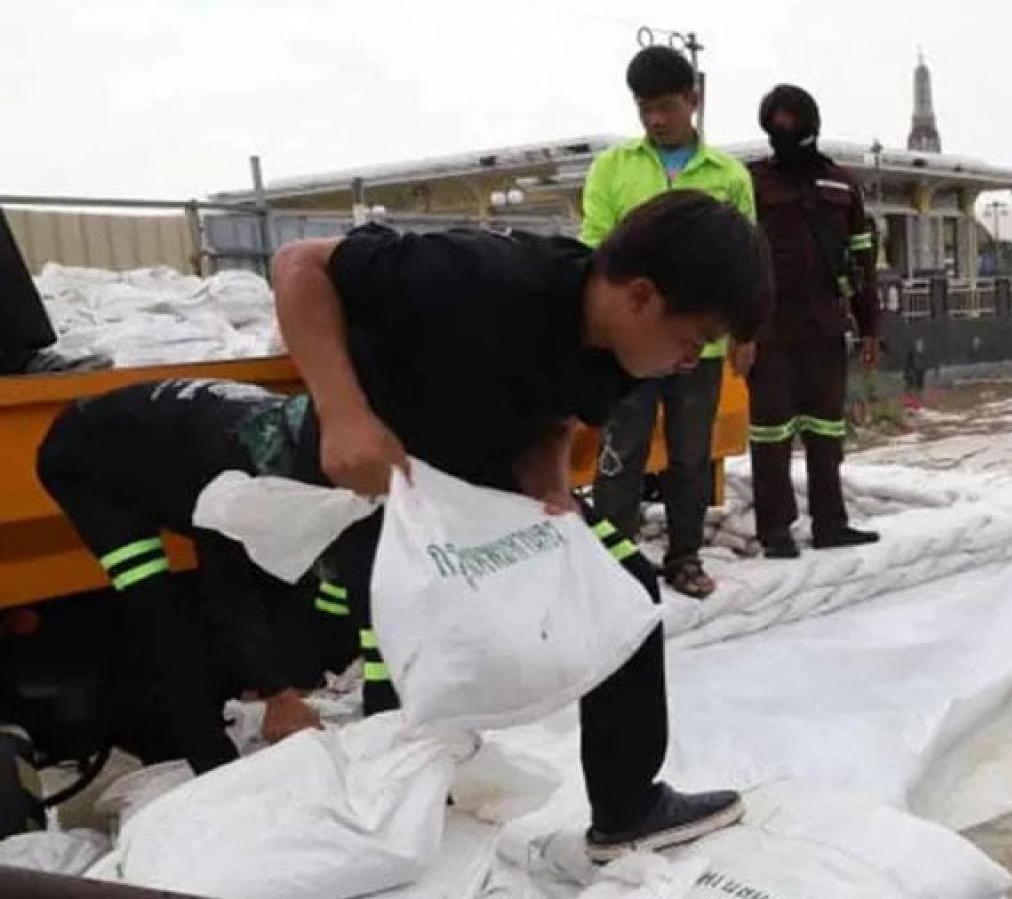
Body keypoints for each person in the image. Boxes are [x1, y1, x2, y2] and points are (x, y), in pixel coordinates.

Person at [271, 191, 771, 862]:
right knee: (407, 638)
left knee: (623, 591)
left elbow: (558, 408)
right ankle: (384, 826)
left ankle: (628, 806)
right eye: (692, 341)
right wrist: (342, 413)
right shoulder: (481, 276)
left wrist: (550, 480)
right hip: (378, 469)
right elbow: (300, 265)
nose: (691, 361)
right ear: (642, 297)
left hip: (481, 467)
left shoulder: (617, 352)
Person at [33, 379, 337, 775]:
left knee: (270, 579)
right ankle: (214, 768)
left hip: (163, 453)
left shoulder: (300, 437)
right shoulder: (230, 475)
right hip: (88, 465)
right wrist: (278, 694)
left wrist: (302, 676)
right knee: (163, 615)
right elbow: (228, 590)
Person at [579, 45, 756, 600]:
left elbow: (747, 262)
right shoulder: (614, 168)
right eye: (643, 108)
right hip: (630, 348)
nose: (655, 119)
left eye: (665, 107)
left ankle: (684, 559)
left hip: (698, 350)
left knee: (689, 455)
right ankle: (614, 561)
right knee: (620, 452)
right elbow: (594, 250)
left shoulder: (728, 176)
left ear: (693, 101)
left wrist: (746, 332)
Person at [740, 84, 882, 558]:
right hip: (769, 333)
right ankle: (775, 532)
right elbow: (737, 262)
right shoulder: (752, 183)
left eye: (792, 123)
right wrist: (741, 333)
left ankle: (831, 524)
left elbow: (863, 262)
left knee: (826, 435)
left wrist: (871, 328)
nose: (785, 132)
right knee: (770, 437)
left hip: (825, 328)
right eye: (775, 124)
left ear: (812, 126)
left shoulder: (842, 185)